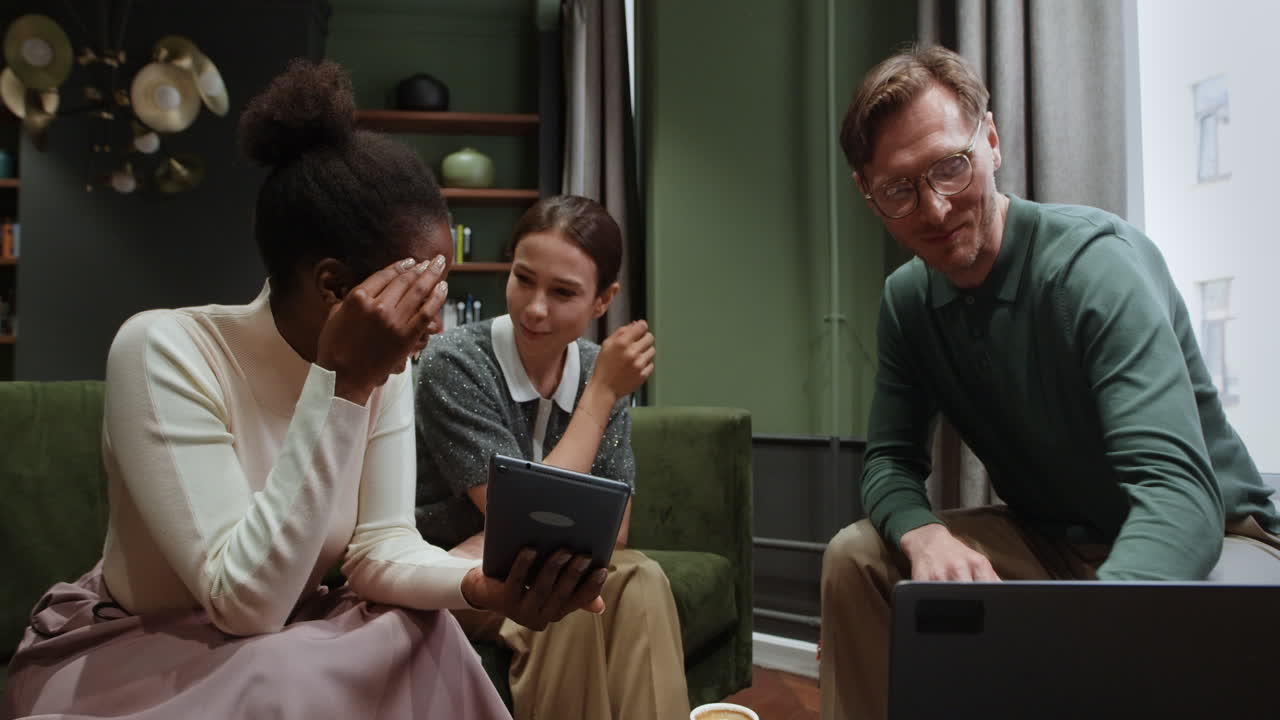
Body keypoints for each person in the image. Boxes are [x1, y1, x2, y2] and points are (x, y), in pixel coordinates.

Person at [2, 60, 605, 720]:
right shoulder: (163, 350)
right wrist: (343, 384)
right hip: (146, 648)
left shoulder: (390, 365)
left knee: (423, 633)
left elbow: (380, 549)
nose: (437, 321)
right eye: (419, 294)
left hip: (286, 634)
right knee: (284, 675)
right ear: (333, 286)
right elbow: (242, 602)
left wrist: (478, 585)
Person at [819, 44, 1280, 720]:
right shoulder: (907, 303)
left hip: (1216, 533)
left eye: (951, 166)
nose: (937, 209)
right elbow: (890, 460)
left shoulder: (1096, 267)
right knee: (857, 557)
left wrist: (1078, 636)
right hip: (1050, 541)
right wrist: (923, 532)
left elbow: (1179, 495)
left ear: (993, 142)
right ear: (869, 195)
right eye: (899, 189)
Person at [414, 195, 689, 720]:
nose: (535, 308)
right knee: (572, 606)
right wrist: (602, 395)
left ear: (603, 300)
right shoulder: (454, 361)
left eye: (563, 292)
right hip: (450, 573)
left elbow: (617, 531)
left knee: (643, 578)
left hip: (512, 560)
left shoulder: (594, 366)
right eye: (523, 279)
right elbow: (523, 514)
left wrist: (601, 385)